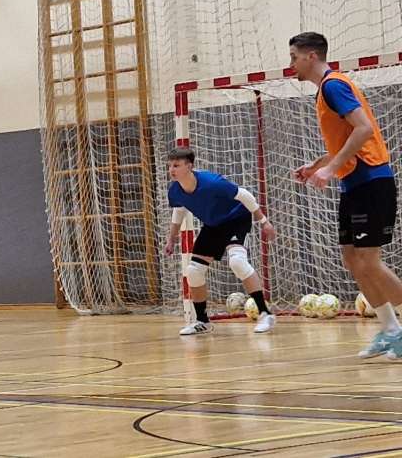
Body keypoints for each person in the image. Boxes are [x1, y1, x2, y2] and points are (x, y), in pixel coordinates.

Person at [290, 31, 402, 359]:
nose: (291, 64)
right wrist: (318, 165)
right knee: (352, 259)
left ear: (311, 56)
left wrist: (330, 168)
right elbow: (347, 141)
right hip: (354, 183)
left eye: (294, 57)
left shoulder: (333, 85)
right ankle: (390, 330)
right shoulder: (324, 92)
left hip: (372, 181)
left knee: (369, 260)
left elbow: (364, 128)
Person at [164, 147, 277, 335]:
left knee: (237, 262)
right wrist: (171, 239)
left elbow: (244, 195)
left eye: (176, 165)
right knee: (193, 271)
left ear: (189, 166)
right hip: (213, 225)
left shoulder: (212, 183)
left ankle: (266, 314)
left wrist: (264, 221)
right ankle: (202, 321)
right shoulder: (175, 191)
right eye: (170, 166)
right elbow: (179, 210)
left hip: (236, 219)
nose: (171, 170)